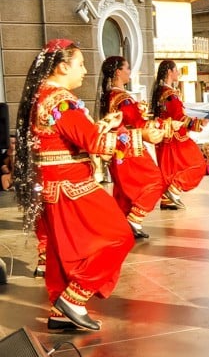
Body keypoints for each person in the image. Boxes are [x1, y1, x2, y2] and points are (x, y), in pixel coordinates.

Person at [13, 39, 149, 330]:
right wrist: (139, 138)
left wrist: (103, 124)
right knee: (119, 235)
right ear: (63, 66)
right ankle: (73, 299)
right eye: (80, 63)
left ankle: (61, 312)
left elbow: (68, 135)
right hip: (70, 184)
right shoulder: (60, 99)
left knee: (63, 252)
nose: (85, 70)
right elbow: (93, 142)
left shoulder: (42, 95)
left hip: (54, 184)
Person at [98, 56, 165, 239]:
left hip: (117, 148)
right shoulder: (122, 98)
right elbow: (136, 122)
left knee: (123, 191)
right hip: (129, 147)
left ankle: (120, 224)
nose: (129, 71)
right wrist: (155, 124)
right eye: (127, 68)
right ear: (118, 71)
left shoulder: (109, 95)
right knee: (155, 182)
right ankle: (134, 219)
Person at [150, 60, 205, 210]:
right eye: (176, 70)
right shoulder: (170, 94)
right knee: (198, 164)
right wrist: (199, 124)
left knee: (169, 170)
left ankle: (167, 199)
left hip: (165, 138)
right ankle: (173, 190)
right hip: (176, 138)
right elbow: (179, 117)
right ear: (169, 72)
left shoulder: (160, 92)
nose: (178, 73)